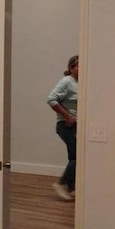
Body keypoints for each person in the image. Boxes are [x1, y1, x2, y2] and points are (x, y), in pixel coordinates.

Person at [47, 55, 78, 201]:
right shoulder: (67, 82)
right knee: (79, 156)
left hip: (77, 126)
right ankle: (61, 183)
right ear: (71, 68)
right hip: (66, 126)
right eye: (79, 66)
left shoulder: (81, 83)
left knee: (74, 156)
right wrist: (67, 117)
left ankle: (72, 189)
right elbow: (51, 99)